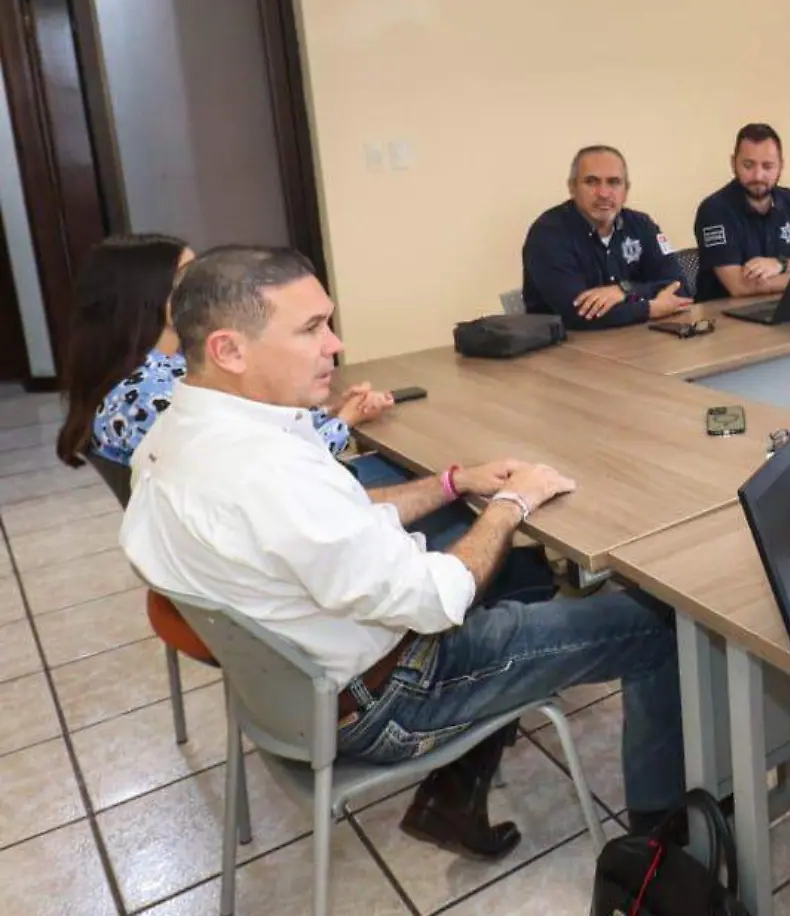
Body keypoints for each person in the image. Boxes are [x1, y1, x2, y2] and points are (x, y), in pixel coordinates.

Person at [118, 247, 685, 861]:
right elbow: (435, 599)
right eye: (310, 329)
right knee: (659, 622)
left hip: (296, 691)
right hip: (391, 699)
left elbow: (334, 527)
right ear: (230, 350)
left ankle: (457, 794)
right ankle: (663, 840)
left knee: (518, 572)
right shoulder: (266, 472)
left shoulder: (175, 436)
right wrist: (512, 504)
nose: (334, 344)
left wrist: (454, 483)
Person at [55, 234, 403, 487]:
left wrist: (329, 411)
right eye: (191, 278)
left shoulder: (162, 369)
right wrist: (345, 419)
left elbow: (257, 430)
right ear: (145, 298)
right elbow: (268, 474)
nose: (212, 284)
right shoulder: (151, 398)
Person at [521, 145, 692, 329]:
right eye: (592, 182)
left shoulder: (642, 225)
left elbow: (680, 289)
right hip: (566, 349)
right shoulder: (548, 234)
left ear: (626, 190)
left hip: (635, 339)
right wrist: (650, 308)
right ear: (572, 188)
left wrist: (625, 290)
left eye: (613, 182)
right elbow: (577, 315)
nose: (603, 193)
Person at [693, 123, 790, 300]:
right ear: (733, 163)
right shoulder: (714, 210)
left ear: (781, 166)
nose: (758, 176)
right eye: (748, 165)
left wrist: (781, 265)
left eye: (768, 166)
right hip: (727, 318)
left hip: (784, 305)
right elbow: (739, 286)